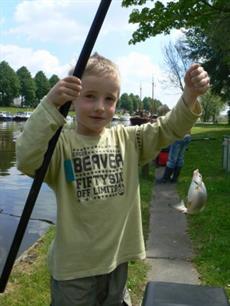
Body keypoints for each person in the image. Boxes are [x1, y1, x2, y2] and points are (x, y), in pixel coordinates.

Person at [16, 53, 209, 306]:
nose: (100, 106)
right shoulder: (59, 144)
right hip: (73, 269)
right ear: (73, 98)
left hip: (117, 261)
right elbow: (26, 158)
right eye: (89, 96)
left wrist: (190, 96)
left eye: (110, 99)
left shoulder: (129, 141)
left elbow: (168, 128)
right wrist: (50, 104)